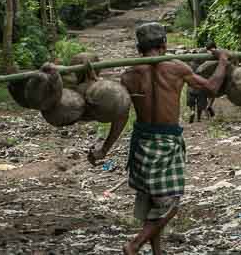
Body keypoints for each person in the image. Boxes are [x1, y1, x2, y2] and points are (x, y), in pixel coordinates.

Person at [86, 22, 229, 255]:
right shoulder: (177, 68)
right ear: (164, 44)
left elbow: (120, 118)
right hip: (167, 143)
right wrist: (223, 61)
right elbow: (212, 88)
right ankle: (134, 245)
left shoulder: (129, 75)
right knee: (171, 203)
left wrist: (105, 149)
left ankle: (157, 251)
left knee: (155, 201)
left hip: (142, 143)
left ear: (139, 48)